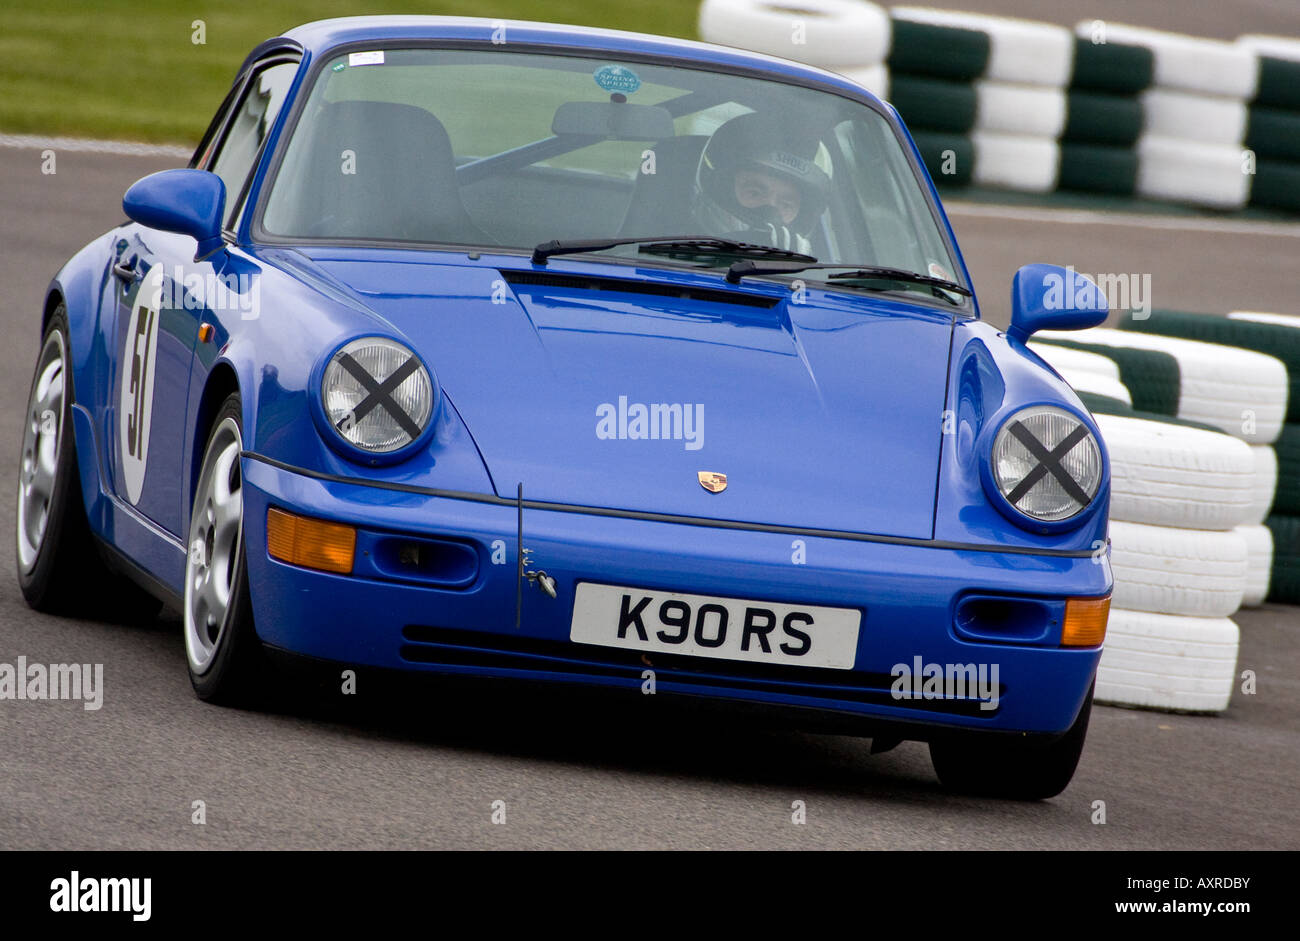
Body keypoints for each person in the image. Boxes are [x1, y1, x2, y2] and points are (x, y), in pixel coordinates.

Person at [692, 112, 831, 254]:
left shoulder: (812, 275)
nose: (770, 212)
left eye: (786, 205)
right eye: (755, 193)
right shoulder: (670, 249)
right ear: (721, 190)